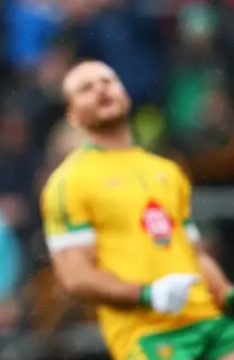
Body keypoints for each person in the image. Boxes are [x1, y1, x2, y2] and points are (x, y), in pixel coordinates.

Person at [40, 60, 234, 360]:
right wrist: (147, 294)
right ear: (72, 115)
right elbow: (74, 275)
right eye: (85, 88)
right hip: (148, 336)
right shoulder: (68, 182)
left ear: (125, 94)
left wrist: (226, 293)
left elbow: (193, 253)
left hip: (209, 322)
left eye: (108, 81)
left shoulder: (168, 169)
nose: (100, 89)